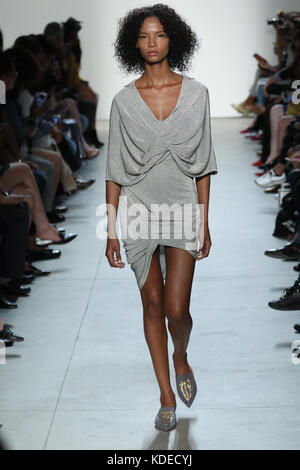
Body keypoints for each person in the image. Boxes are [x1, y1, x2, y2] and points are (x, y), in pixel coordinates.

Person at [105, 4, 218, 432]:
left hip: (182, 206)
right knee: (152, 303)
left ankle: (181, 355)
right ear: (133, 44)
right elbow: (114, 170)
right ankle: (165, 394)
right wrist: (111, 230)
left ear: (173, 40)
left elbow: (204, 164)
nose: (152, 43)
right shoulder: (121, 101)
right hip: (135, 208)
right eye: (143, 37)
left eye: (159, 35)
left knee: (176, 310)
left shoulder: (196, 94)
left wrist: (204, 222)